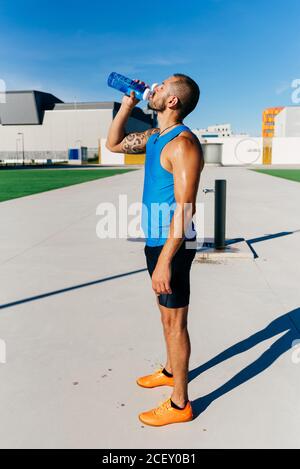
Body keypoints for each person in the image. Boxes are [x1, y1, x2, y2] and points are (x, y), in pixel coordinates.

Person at [106, 74, 204, 426]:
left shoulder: (183, 144)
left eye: (162, 87)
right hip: (156, 241)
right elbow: (114, 144)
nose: (155, 88)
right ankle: (169, 370)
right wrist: (128, 104)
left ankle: (180, 404)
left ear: (173, 101)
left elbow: (185, 208)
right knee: (165, 315)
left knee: (176, 322)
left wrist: (165, 261)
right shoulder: (154, 136)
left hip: (173, 245)